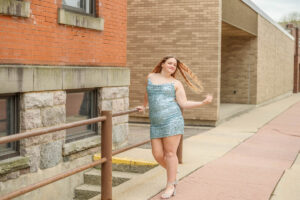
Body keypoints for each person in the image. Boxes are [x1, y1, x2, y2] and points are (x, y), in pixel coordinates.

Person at [136, 55, 213, 199]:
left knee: (170, 154)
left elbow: (183, 103)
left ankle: (170, 185)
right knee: (157, 154)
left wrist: (202, 103)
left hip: (173, 120)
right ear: (163, 64)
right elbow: (148, 93)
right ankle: (173, 172)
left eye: (175, 65)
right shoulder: (151, 77)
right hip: (155, 122)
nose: (172, 66)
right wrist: (144, 106)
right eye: (170, 63)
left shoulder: (176, 83)